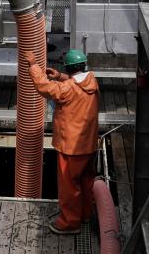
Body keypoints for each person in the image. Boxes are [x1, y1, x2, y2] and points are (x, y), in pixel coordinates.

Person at [27, 48, 100, 235]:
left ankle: (69, 223)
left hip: (71, 148)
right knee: (85, 182)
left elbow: (44, 87)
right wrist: (60, 75)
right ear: (83, 65)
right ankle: (84, 215)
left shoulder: (66, 89)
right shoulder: (92, 80)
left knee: (69, 187)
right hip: (89, 145)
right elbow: (76, 83)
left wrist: (33, 65)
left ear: (68, 66)